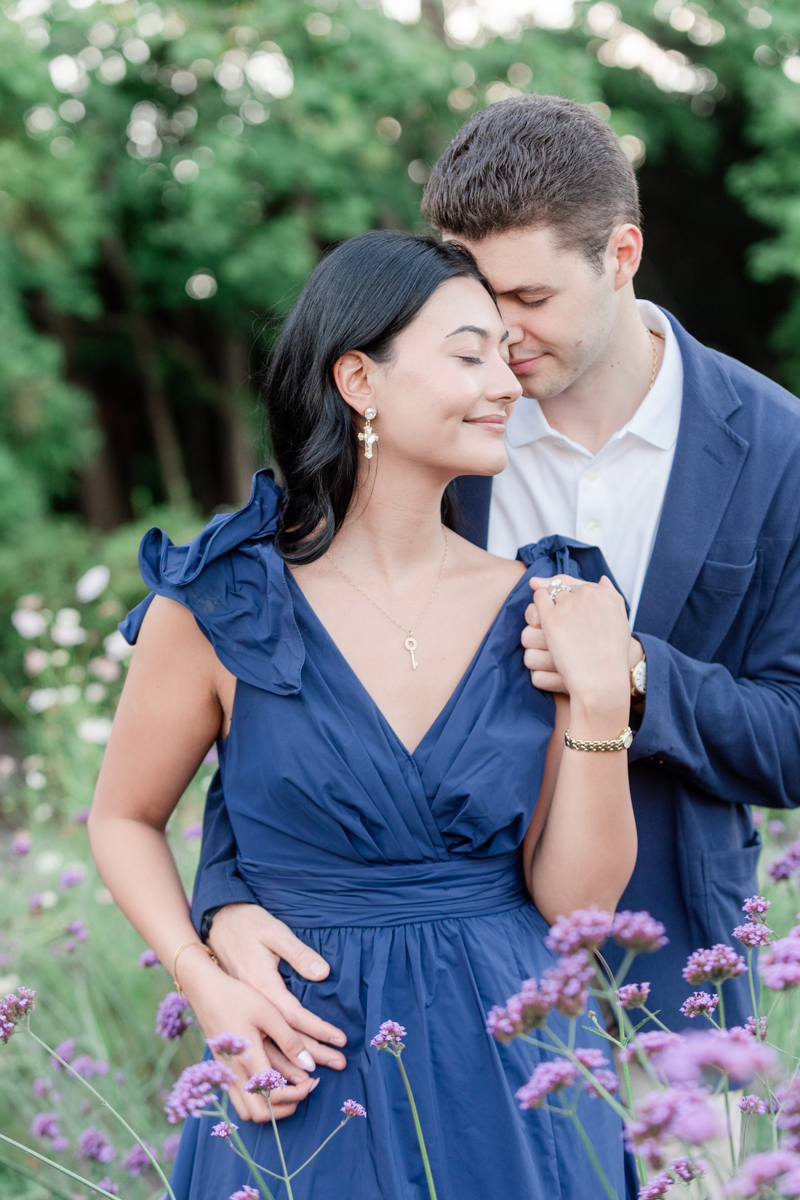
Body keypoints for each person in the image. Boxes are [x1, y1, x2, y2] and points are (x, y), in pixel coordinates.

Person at [193, 96, 800, 1060]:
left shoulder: (779, 448)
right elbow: (280, 683)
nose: (501, 336)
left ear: (622, 256)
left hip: (676, 976)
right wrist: (224, 895)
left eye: (530, 300)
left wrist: (632, 675)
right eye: (476, 298)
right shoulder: (420, 425)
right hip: (404, 999)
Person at [88, 232, 636, 1199]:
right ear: (359, 380)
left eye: (508, 355)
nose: (505, 382)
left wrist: (599, 702)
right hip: (302, 1069)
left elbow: (577, 914)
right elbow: (123, 816)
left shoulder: (549, 602)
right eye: (468, 353)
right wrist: (201, 976)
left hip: (518, 1068)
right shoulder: (222, 601)